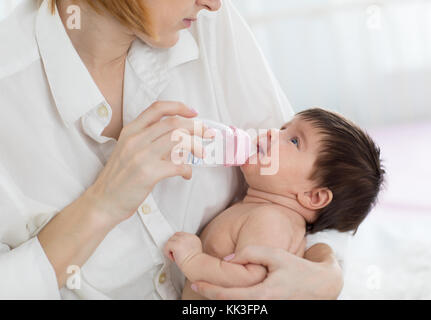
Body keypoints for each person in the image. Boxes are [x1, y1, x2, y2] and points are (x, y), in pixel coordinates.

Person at [0, 0, 347, 299]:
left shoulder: (207, 25)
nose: (214, 3)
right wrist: (102, 204)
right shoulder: (11, 89)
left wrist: (327, 271)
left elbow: (313, 185)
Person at [165, 108, 385, 300]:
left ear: (314, 197)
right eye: (283, 128)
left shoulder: (273, 220)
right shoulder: (265, 212)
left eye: (294, 140)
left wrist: (193, 260)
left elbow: (250, 283)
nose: (271, 132)